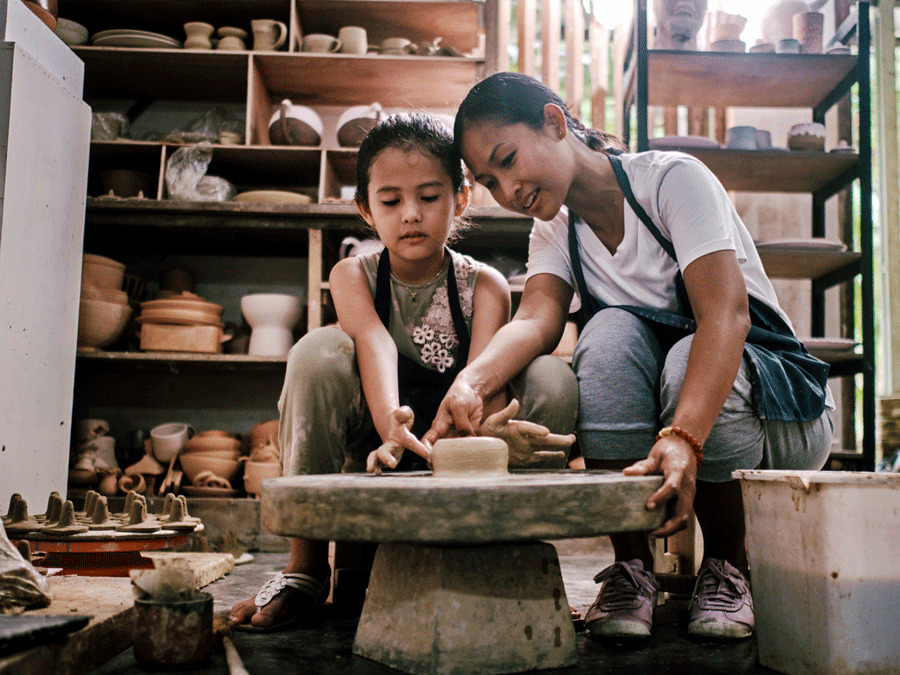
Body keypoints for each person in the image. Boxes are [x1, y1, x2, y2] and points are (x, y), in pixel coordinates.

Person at [427, 72, 834, 641]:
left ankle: (727, 567)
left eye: (508, 160)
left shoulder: (672, 180)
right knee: (607, 335)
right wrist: (471, 383)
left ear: (553, 121)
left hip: (783, 409)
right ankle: (631, 571)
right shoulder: (556, 230)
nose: (508, 191)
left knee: (687, 353)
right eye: (490, 181)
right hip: (677, 412)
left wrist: (684, 437)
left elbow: (727, 317)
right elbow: (536, 320)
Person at [229, 112, 578, 631]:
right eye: (391, 201)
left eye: (429, 197)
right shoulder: (351, 274)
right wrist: (392, 424)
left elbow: (488, 379)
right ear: (366, 210)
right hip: (378, 451)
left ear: (460, 198)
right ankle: (305, 569)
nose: (410, 214)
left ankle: (514, 558)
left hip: (460, 452)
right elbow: (373, 341)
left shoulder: (484, 286)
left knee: (553, 378)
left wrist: (484, 434)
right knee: (315, 352)